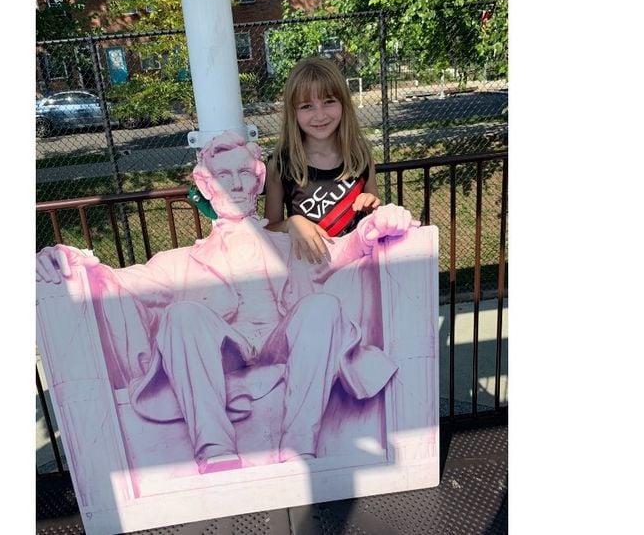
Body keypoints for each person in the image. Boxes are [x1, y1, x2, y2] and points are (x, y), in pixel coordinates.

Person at [36, 131, 418, 475]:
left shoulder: (291, 243)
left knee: (324, 307)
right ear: (206, 186)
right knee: (181, 315)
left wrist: (377, 225)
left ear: (257, 181)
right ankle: (214, 449)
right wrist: (68, 259)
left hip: (279, 341)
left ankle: (300, 446)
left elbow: (345, 250)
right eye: (223, 176)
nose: (235, 184)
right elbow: (118, 282)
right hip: (225, 350)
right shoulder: (182, 262)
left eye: (243, 174)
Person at [265, 57, 381, 265]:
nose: (320, 115)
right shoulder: (280, 164)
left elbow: (376, 209)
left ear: (343, 103)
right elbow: (268, 229)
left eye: (329, 102)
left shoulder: (361, 154)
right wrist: (292, 223)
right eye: (307, 106)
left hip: (359, 269)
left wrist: (371, 204)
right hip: (310, 275)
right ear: (293, 113)